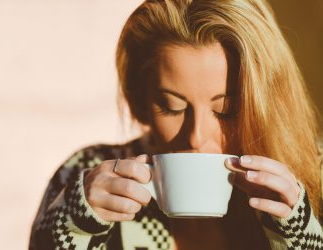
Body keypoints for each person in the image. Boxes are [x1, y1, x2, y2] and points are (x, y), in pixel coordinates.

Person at [29, 0, 323, 249]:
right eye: (173, 107)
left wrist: (301, 235)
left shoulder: (315, 174)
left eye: (226, 110)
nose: (195, 137)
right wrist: (74, 227)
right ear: (142, 98)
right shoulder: (86, 171)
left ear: (268, 100)